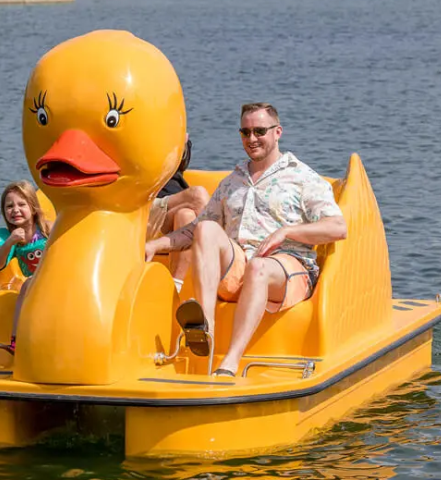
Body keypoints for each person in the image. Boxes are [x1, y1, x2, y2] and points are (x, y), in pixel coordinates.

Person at [145, 103, 348, 376]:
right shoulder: (233, 182)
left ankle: (230, 360)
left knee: (259, 268)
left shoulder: (302, 177)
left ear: (277, 132)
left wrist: (286, 232)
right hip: (241, 268)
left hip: (288, 270)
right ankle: (205, 330)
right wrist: (155, 245)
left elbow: (338, 227)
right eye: (245, 132)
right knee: (206, 229)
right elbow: (194, 230)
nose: (252, 139)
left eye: (259, 131)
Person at [0, 180, 52, 349]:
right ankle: (16, 339)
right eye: (9, 206)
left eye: (22, 204)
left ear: (33, 208)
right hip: (35, 284)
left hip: (55, 278)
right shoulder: (10, 237)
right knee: (27, 285)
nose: (15, 210)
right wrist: (9, 243)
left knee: (30, 284)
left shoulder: (46, 229)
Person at [146, 137, 210, 292]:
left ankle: (175, 290)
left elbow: (181, 165)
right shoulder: (142, 127)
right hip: (147, 207)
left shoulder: (173, 128)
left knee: (186, 216)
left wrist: (180, 139)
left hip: (170, 210)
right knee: (198, 195)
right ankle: (222, 256)